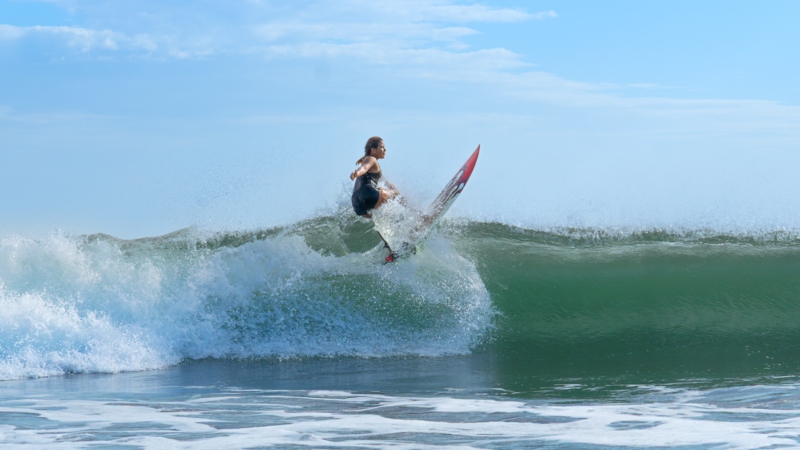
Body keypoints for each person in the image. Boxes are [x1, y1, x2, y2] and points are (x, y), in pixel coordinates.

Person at [350, 136, 399, 217]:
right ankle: (382, 197)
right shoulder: (371, 159)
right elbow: (364, 168)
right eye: (382, 147)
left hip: (355, 201)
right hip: (367, 192)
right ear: (373, 150)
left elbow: (386, 181)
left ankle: (377, 213)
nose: (385, 150)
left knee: (372, 219)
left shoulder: (373, 167)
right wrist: (356, 173)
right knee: (396, 193)